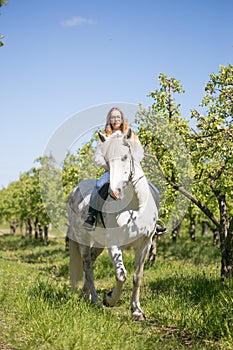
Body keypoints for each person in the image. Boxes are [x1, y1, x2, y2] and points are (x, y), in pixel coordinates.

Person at [82, 107, 166, 234]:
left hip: (131, 171)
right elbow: (97, 156)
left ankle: (154, 220)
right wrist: (110, 166)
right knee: (99, 185)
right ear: (109, 120)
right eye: (112, 117)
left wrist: (131, 164)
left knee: (153, 189)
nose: (115, 119)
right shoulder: (104, 137)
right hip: (112, 171)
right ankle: (91, 216)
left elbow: (140, 152)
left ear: (122, 119)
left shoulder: (131, 134)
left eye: (118, 117)